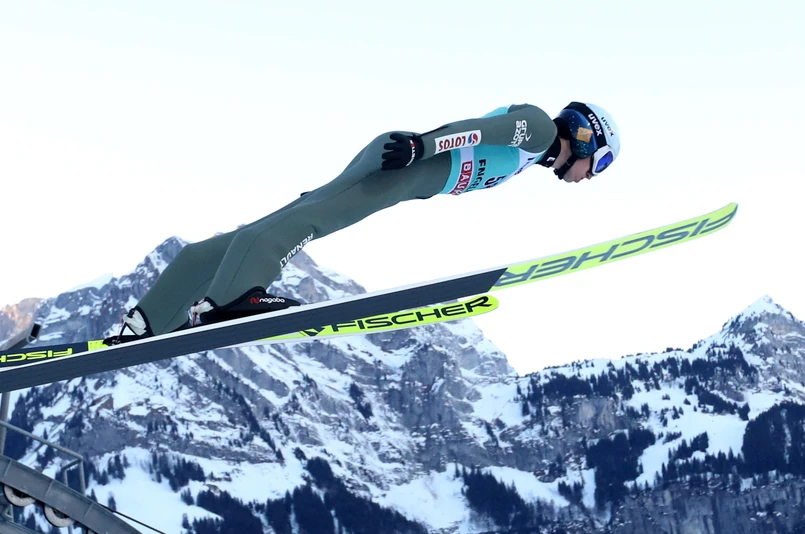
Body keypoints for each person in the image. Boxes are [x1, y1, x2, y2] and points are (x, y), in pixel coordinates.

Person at [105, 101, 620, 345]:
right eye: (598, 163)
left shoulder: (533, 155)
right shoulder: (538, 128)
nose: (590, 177)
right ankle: (230, 301)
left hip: (406, 170)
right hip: (403, 163)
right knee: (312, 221)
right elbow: (477, 130)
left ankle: (149, 320)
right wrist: (421, 146)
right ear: (583, 136)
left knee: (288, 220)